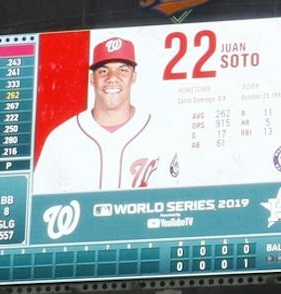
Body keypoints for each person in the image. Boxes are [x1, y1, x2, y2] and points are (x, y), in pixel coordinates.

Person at [29, 36, 184, 194]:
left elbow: (174, 203)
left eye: (123, 70)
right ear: (92, 79)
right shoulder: (61, 138)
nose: (112, 78)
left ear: (134, 77)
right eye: (103, 71)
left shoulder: (161, 136)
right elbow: (37, 205)